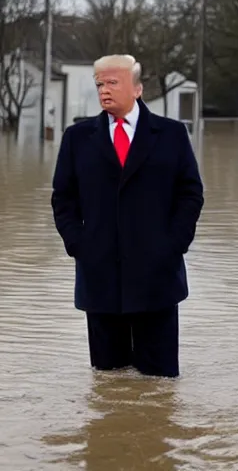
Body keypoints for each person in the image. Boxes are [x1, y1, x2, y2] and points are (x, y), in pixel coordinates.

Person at [51, 54, 204, 378]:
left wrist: (174, 244)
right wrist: (79, 244)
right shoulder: (77, 138)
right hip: (100, 274)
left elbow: (190, 194)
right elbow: (63, 199)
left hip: (157, 275)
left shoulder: (172, 135)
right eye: (99, 84)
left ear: (137, 88)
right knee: (109, 383)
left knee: (158, 384)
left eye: (112, 83)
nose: (104, 90)